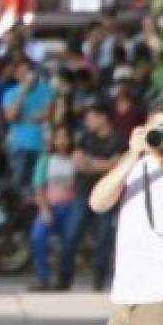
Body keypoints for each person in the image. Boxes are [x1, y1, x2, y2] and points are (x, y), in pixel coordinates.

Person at [89, 100, 163, 325]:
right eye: (159, 129)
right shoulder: (136, 166)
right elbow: (98, 202)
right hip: (124, 300)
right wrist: (132, 155)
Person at [68, 101, 125, 291]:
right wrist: (101, 164)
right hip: (83, 193)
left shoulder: (118, 140)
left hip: (108, 196)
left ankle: (99, 281)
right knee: (71, 235)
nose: (87, 122)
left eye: (91, 117)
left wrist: (91, 163)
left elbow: (115, 166)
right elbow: (77, 161)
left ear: (103, 117)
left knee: (103, 239)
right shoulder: (84, 137)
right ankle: (63, 279)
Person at [29, 123, 78, 292]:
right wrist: (44, 209)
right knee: (38, 236)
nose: (62, 141)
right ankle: (43, 278)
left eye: (65, 137)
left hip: (70, 207)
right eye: (58, 138)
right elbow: (38, 187)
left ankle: (64, 278)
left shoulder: (76, 159)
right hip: (50, 206)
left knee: (69, 241)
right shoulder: (46, 160)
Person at [2, 58, 53, 190]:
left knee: (38, 183)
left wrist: (22, 117)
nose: (25, 76)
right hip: (19, 144)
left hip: (40, 144)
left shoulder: (45, 90)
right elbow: (11, 116)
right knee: (18, 182)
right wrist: (22, 92)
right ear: (16, 75)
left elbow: (46, 115)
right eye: (21, 72)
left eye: (27, 72)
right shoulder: (10, 93)